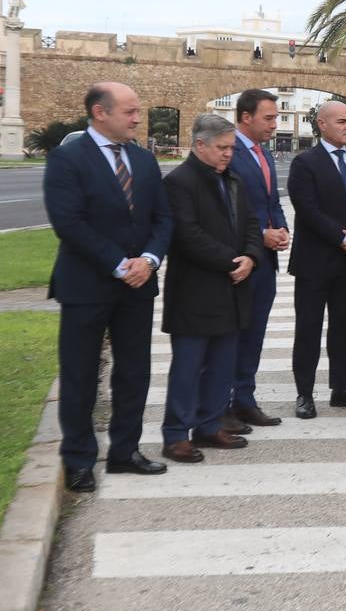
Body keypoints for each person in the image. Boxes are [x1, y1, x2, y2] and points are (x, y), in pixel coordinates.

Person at [44, 82, 173, 492]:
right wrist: (119, 265)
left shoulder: (144, 159)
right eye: (130, 111)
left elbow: (162, 219)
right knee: (80, 376)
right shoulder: (68, 159)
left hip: (138, 286)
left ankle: (125, 452)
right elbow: (69, 223)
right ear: (100, 113)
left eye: (138, 111)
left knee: (134, 373)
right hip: (86, 286)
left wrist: (149, 260)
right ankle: (80, 460)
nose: (138, 118)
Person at [160, 114, 266, 462]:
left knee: (222, 365)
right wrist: (232, 261)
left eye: (231, 148)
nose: (227, 155)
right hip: (196, 291)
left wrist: (251, 255)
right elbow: (187, 235)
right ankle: (176, 434)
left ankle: (209, 424)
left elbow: (251, 223)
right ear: (200, 145)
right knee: (189, 368)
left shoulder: (232, 179)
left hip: (232, 290)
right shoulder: (180, 182)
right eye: (221, 148)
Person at [287, 100, 346, 418]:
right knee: (309, 328)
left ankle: (343, 387)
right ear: (321, 124)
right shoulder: (305, 163)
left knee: (345, 327)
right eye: (340, 121)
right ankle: (304, 393)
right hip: (315, 261)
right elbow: (307, 209)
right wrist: (342, 237)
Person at [225, 89, 289, 431]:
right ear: (246, 117)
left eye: (276, 117)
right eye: (268, 118)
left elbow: (271, 200)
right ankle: (222, 404)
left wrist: (280, 228)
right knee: (234, 333)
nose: (274, 124)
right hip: (240, 258)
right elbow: (229, 207)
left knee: (256, 333)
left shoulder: (262, 154)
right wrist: (258, 236)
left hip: (266, 260)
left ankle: (245, 400)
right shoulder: (230, 152)